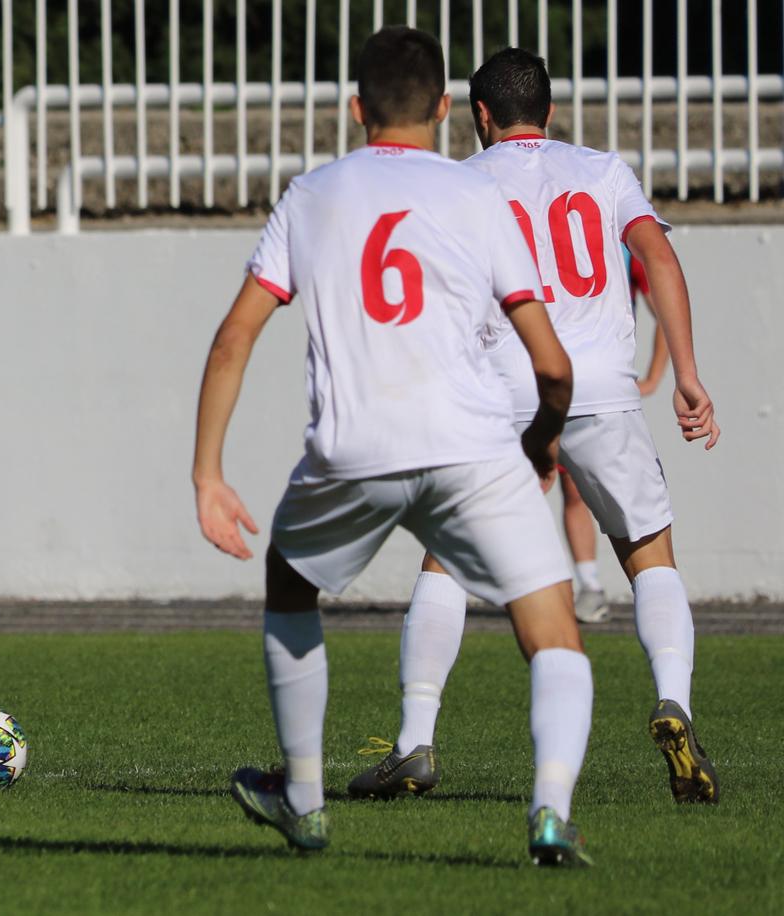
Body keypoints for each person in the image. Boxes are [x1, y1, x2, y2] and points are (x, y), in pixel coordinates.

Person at [193, 27, 594, 865]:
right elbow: (553, 365)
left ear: (355, 108)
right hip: (473, 447)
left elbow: (233, 339)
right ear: (447, 109)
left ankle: (304, 800)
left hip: (354, 448)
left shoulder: (312, 195)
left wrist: (208, 474)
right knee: (553, 629)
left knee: (289, 584)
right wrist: (542, 440)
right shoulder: (477, 195)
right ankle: (551, 811)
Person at [348, 47, 719, 810]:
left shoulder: (458, 182)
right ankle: (673, 702)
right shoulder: (603, 172)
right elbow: (658, 256)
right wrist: (686, 373)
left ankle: (416, 739)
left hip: (500, 391)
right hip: (602, 387)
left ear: (479, 115)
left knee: (446, 561)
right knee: (648, 554)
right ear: (549, 111)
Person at [565, 248, 669, 624]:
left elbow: (662, 305)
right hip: (558, 381)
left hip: (582, 385)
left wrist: (655, 377)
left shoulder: (621, 243)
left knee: (579, 491)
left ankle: (589, 585)